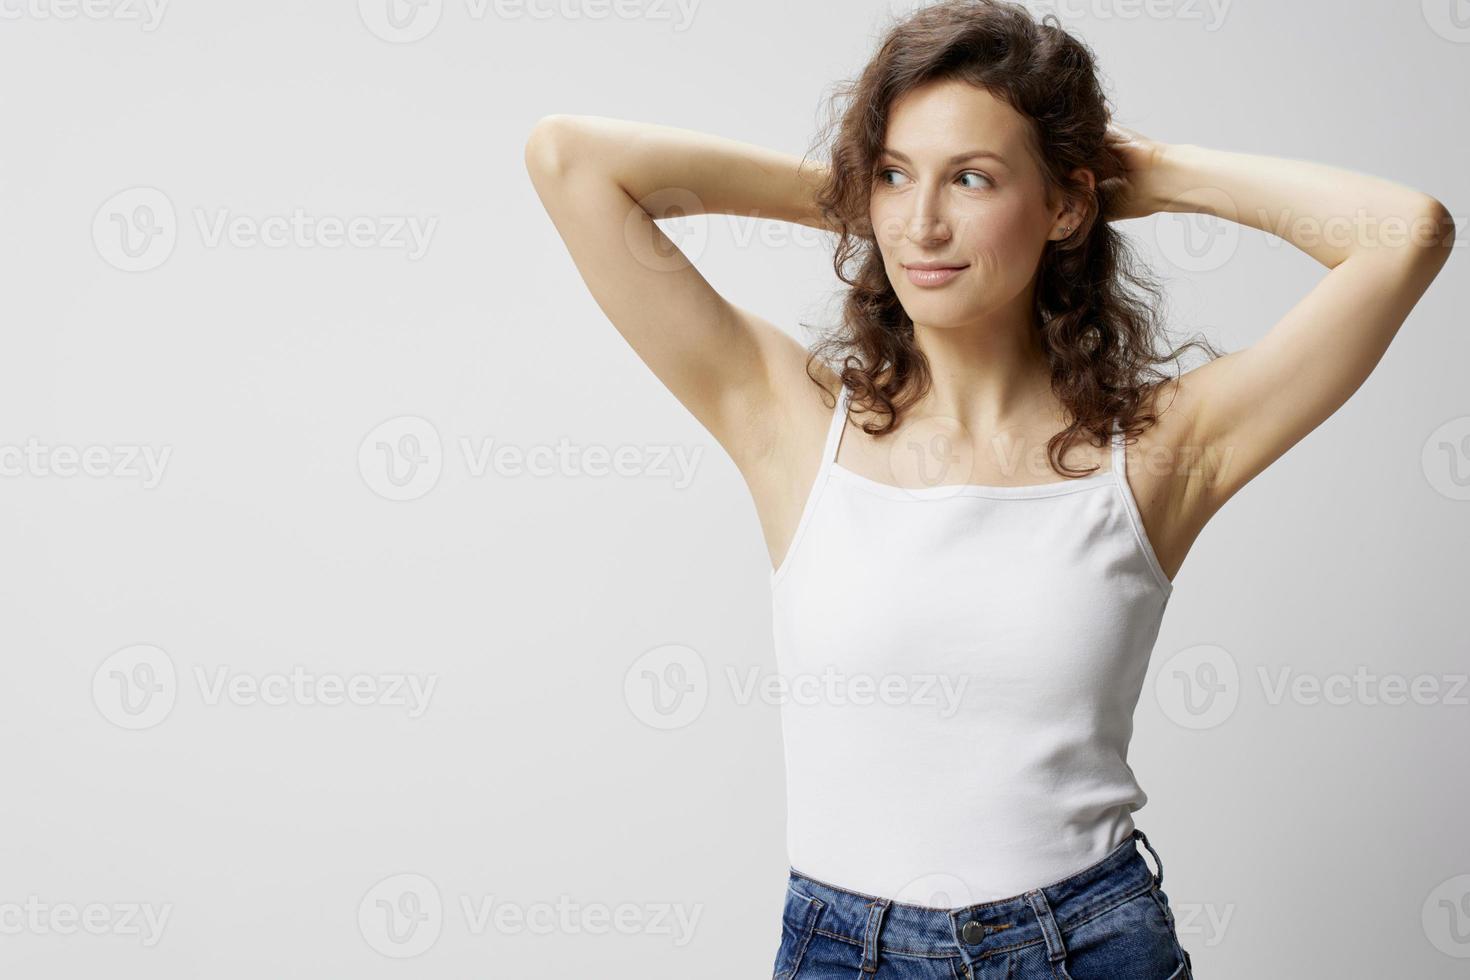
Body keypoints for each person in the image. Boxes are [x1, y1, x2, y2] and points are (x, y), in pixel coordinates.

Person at [522, 1, 1454, 976]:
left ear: (1066, 206)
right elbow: (571, 161)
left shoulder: (1159, 449)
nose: (922, 223)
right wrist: (855, 189)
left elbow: (1406, 233)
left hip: (1086, 943)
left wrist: (1157, 173)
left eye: (972, 178)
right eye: (896, 174)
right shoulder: (791, 423)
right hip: (844, 952)